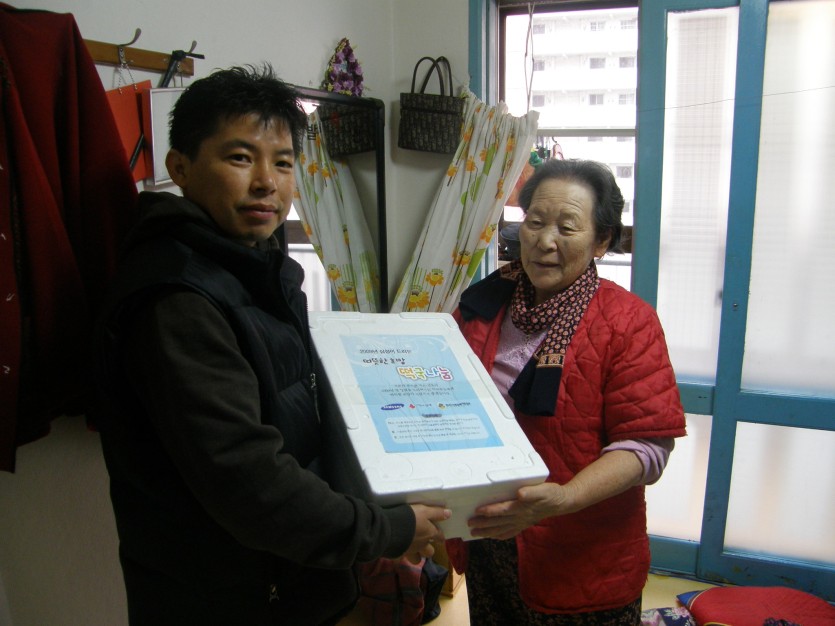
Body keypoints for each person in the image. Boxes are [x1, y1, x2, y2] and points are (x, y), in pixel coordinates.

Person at [90, 65, 449, 626]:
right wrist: (386, 529)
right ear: (179, 167)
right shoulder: (177, 299)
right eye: (240, 158)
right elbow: (248, 481)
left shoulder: (258, 268)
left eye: (283, 163)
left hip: (288, 583)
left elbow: (299, 415)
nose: (267, 182)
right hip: (224, 596)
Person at [447, 159, 687, 624]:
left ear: (601, 241)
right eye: (535, 222)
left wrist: (566, 497)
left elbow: (648, 445)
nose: (545, 241)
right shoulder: (482, 303)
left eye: (567, 227)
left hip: (580, 551)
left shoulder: (627, 322)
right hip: (488, 533)